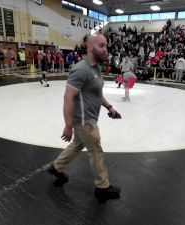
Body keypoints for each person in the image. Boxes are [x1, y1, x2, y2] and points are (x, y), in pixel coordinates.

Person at [48, 34, 122, 203]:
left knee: (77, 144)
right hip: (84, 121)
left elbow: (96, 93)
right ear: (90, 47)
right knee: (96, 151)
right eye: (101, 46)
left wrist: (109, 107)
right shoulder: (81, 68)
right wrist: (68, 125)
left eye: (106, 46)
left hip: (87, 119)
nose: (106, 49)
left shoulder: (96, 68)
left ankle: (56, 167)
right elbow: (68, 97)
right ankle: (103, 187)